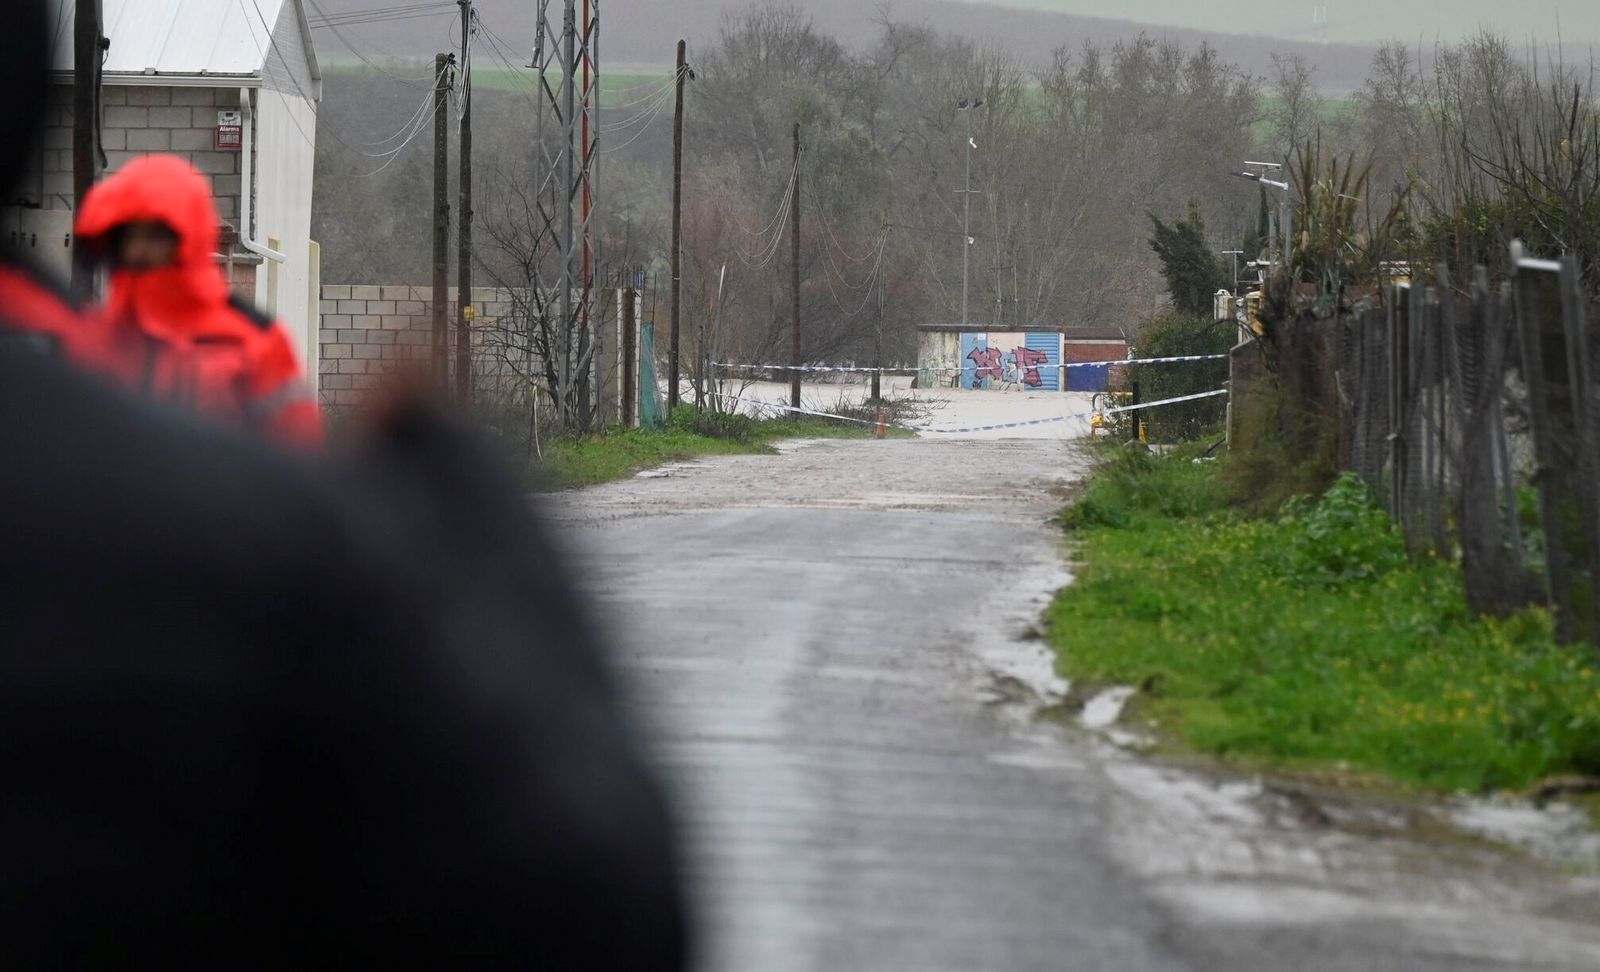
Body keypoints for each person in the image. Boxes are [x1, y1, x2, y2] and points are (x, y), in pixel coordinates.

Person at [0, 4, 687, 966]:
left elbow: (289, 444)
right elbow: (573, 889)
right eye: (126, 246)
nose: (139, 266)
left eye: (155, 243)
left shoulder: (239, 353)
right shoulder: (83, 355)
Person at [74, 154, 323, 446]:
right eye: (129, 237)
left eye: (157, 237)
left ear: (191, 238)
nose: (139, 251)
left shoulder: (255, 342)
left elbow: (298, 455)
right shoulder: (91, 339)